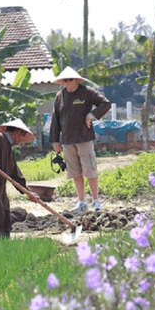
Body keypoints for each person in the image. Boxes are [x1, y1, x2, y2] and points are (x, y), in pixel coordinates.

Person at [48, 66, 111, 213]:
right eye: (65, 80)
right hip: (67, 140)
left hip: (84, 138)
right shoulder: (60, 96)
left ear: (76, 80)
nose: (68, 82)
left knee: (90, 170)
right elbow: (55, 120)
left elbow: (105, 104)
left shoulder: (87, 92)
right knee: (75, 172)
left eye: (70, 79)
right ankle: (82, 202)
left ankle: (96, 201)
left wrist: (92, 115)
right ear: (62, 82)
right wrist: (55, 141)